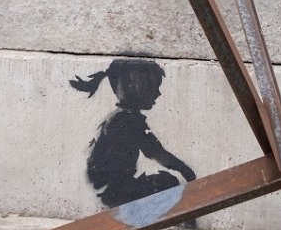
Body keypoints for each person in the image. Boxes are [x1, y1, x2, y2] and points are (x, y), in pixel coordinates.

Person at [70, 59, 196, 207]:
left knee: (166, 183)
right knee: (169, 184)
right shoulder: (129, 121)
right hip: (116, 193)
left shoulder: (123, 117)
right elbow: (156, 152)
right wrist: (187, 171)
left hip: (114, 188)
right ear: (136, 88)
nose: (158, 93)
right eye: (154, 87)